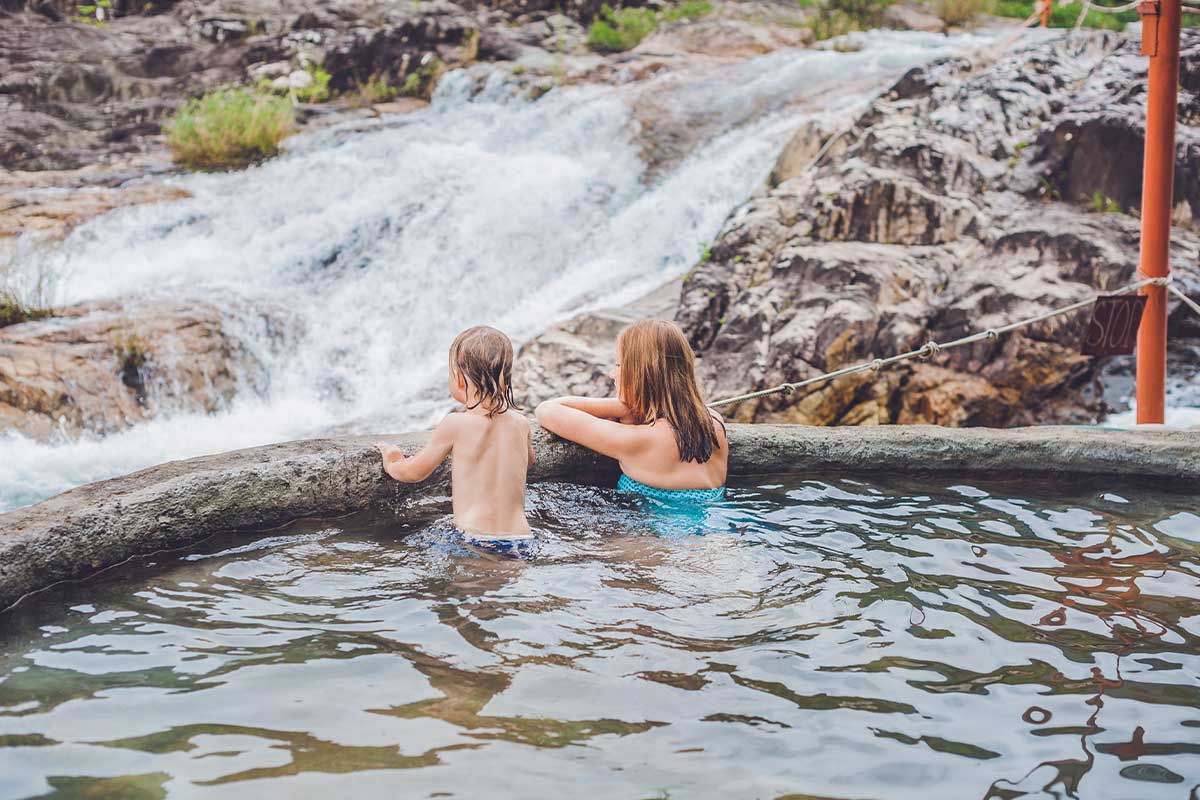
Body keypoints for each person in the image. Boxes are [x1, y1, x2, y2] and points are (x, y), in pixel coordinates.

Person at [535, 319, 728, 506]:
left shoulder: (637, 440)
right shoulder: (715, 422)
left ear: (642, 373)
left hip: (654, 528)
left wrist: (620, 406)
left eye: (618, 365)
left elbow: (547, 410)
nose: (612, 374)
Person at [376, 326, 535, 553]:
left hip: (475, 538)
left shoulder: (455, 424)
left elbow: (414, 473)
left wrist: (393, 461)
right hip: (522, 540)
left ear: (459, 379)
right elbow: (528, 462)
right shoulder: (521, 423)